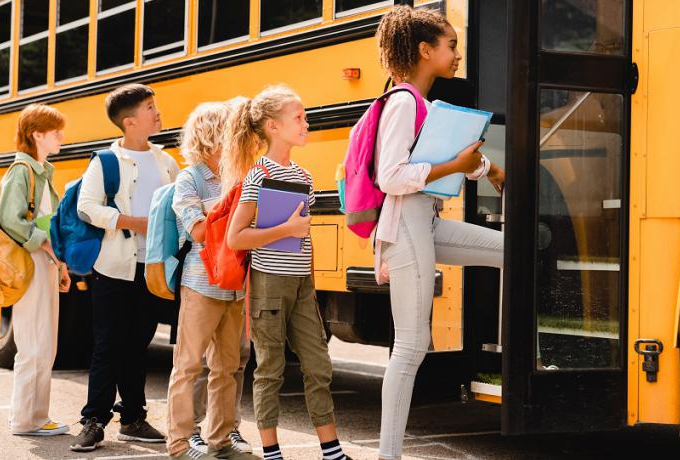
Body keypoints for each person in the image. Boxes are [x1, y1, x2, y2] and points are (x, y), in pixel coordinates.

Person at [372, 6, 505, 459]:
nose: (458, 54)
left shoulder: (424, 104)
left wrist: (487, 169)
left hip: (424, 220)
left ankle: (525, 358)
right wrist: (460, 166)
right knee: (411, 346)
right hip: (406, 222)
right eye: (451, 45)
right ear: (425, 50)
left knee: (514, 251)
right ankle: (388, 455)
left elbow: (443, 158)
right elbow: (391, 175)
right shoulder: (403, 101)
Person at [224, 85, 352, 460]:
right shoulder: (257, 175)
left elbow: (304, 234)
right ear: (272, 126)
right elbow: (236, 237)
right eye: (298, 117)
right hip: (269, 284)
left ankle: (331, 449)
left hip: (301, 284)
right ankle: (271, 451)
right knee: (270, 369)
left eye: (305, 117)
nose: (306, 123)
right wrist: (286, 230)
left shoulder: (304, 176)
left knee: (318, 364)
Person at [72, 83, 180, 452]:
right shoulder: (105, 161)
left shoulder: (167, 162)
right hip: (114, 267)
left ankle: (133, 418)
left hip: (152, 266)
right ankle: (93, 420)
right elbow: (86, 207)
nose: (158, 112)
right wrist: (130, 222)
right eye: (151, 107)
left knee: (138, 345)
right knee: (108, 344)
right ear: (131, 122)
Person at [166, 101, 258, 460]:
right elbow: (200, 231)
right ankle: (180, 443)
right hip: (201, 282)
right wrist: (233, 204)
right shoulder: (188, 179)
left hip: (235, 282)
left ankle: (220, 438)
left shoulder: (239, 176)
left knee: (229, 365)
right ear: (212, 136)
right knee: (188, 365)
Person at [0, 103, 71, 436]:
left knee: (44, 343)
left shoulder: (41, 171)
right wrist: (44, 243)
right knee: (33, 343)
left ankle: (35, 416)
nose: (61, 137)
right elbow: (10, 218)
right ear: (36, 135)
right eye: (55, 132)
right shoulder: (22, 171)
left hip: (43, 264)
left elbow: (46, 222)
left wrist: (60, 263)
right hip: (29, 265)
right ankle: (26, 420)